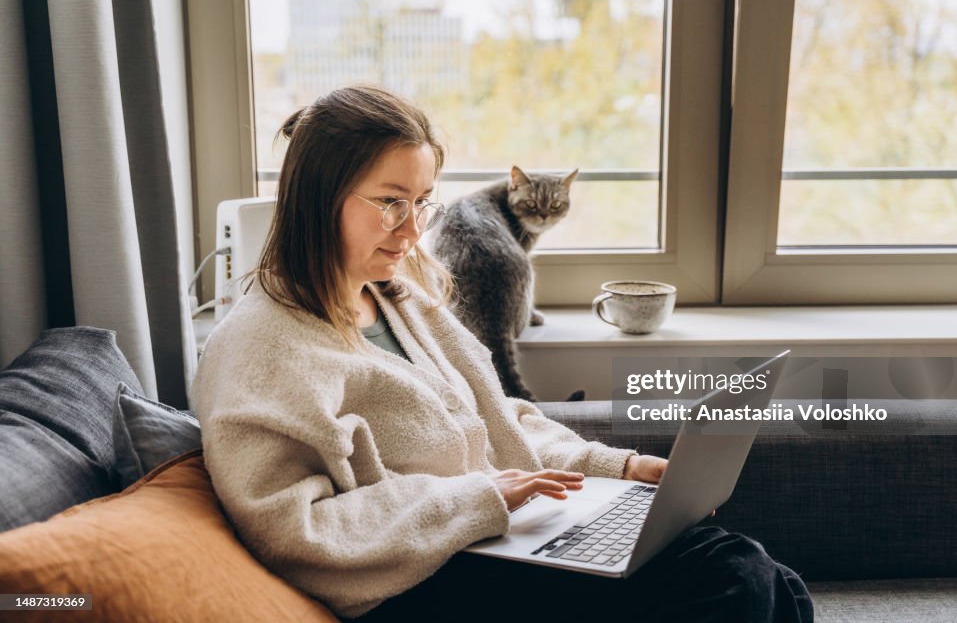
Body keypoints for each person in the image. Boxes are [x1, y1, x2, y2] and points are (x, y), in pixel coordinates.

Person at [191, 85, 813, 622]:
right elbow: (291, 530)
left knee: (764, 580)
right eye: (390, 202)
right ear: (316, 198)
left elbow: (497, 419)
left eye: (423, 201)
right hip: (416, 586)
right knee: (734, 578)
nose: (412, 231)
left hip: (496, 543)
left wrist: (611, 467)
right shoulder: (262, 349)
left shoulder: (403, 301)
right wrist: (478, 499)